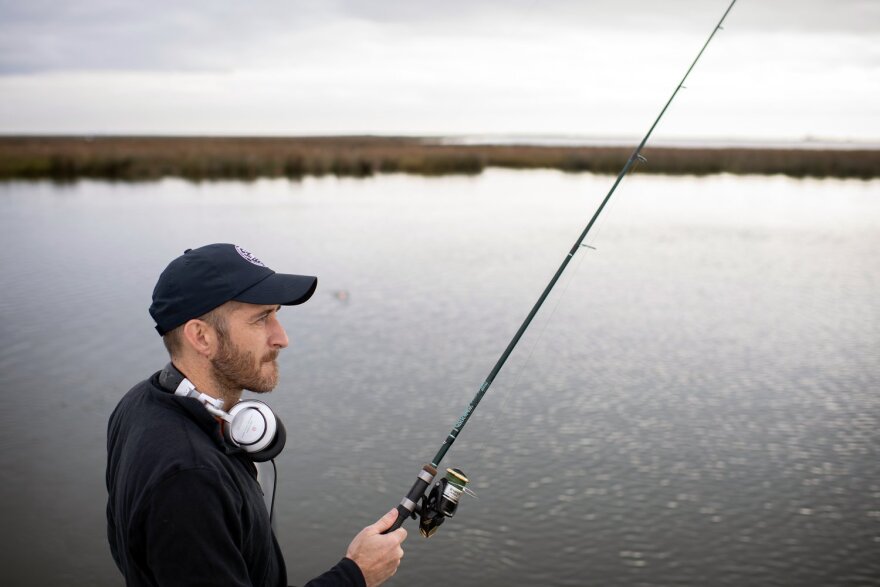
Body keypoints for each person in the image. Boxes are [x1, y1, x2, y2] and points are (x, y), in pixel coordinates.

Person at [106, 243, 407, 587]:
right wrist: (355, 575)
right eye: (262, 318)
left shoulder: (138, 403)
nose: (282, 338)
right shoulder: (190, 480)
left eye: (276, 314)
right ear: (201, 337)